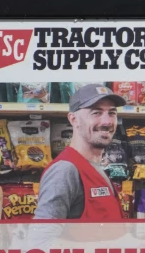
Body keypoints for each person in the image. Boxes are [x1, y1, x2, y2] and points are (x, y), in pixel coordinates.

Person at [35, 84, 126, 221]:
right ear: (73, 119)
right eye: (96, 113)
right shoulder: (65, 170)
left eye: (112, 113)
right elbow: (41, 240)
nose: (107, 122)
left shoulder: (94, 167)